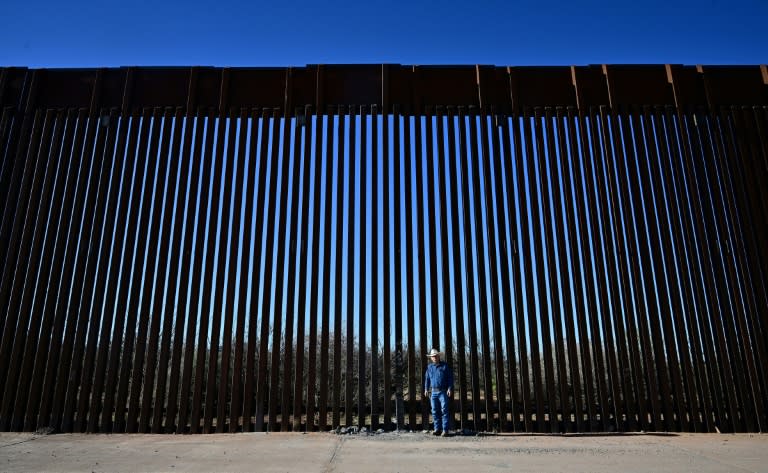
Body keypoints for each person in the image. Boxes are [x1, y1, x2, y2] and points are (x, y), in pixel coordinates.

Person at [423, 348, 454, 437]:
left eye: (436, 356)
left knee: (444, 410)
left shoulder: (445, 366)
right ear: (431, 358)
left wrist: (449, 388)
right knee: (434, 411)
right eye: (433, 356)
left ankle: (445, 430)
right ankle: (437, 429)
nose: (434, 357)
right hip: (433, 392)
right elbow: (427, 379)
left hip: (443, 391)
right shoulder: (429, 367)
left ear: (438, 356)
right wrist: (426, 389)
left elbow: (450, 378)